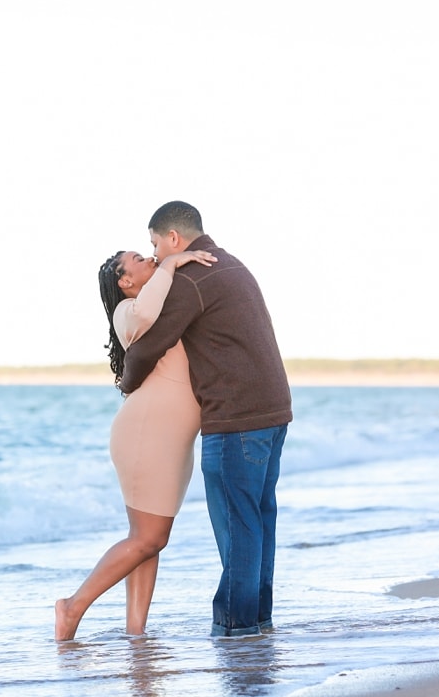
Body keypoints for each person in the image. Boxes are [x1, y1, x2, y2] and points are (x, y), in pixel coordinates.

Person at [120, 201, 292, 637]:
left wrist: (126, 383)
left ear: (173, 238)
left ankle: (235, 629)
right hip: (272, 412)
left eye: (155, 244)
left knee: (238, 525)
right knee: (258, 521)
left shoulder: (193, 278)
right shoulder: (232, 266)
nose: (156, 255)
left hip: (236, 418)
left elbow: (145, 347)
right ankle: (258, 623)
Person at [54, 246, 216, 641]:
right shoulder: (127, 311)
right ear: (125, 282)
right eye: (139, 259)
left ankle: (135, 632)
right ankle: (71, 608)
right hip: (148, 433)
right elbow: (145, 312)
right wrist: (174, 262)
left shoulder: (163, 302)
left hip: (171, 438)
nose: (150, 259)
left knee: (147, 540)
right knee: (149, 537)